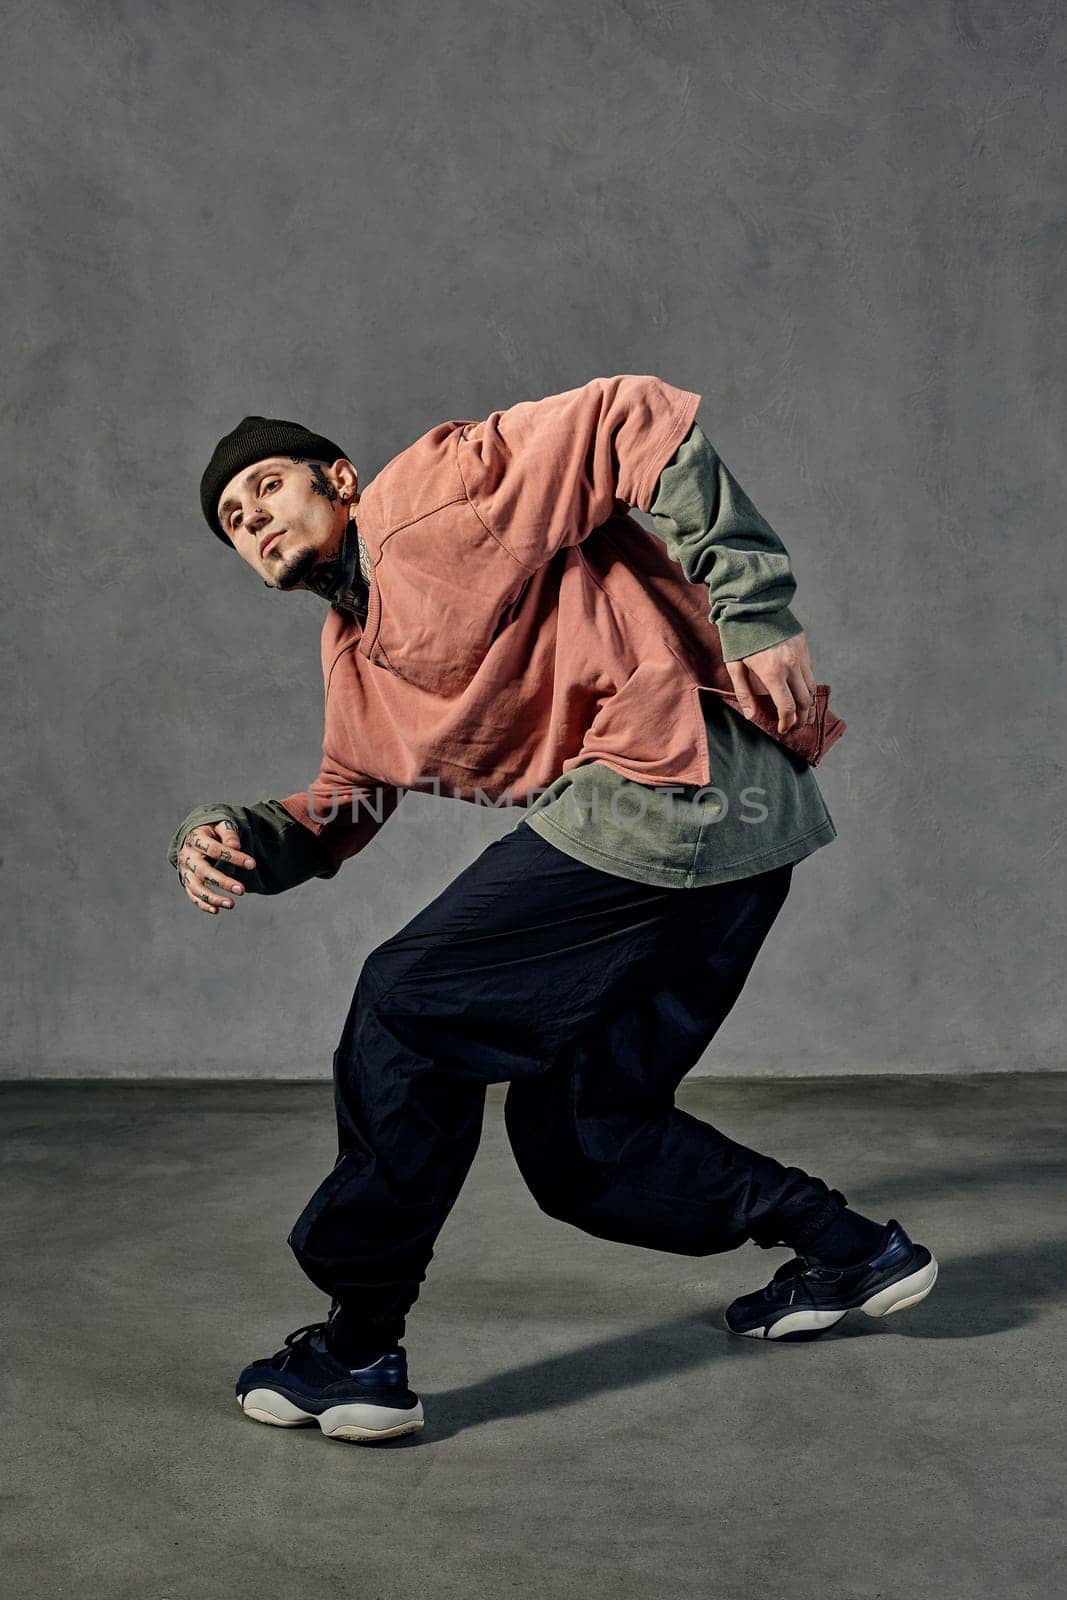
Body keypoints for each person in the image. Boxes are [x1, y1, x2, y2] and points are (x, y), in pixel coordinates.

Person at [168, 374, 937, 1446]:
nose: (254, 521)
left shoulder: (430, 497)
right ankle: (849, 1248)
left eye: (268, 487)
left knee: (404, 1004)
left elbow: (628, 419)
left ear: (338, 480)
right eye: (234, 522)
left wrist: (753, 610)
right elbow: (345, 800)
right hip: (742, 839)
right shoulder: (352, 652)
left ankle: (357, 1348)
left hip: (673, 782)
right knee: (583, 1139)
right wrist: (242, 836)